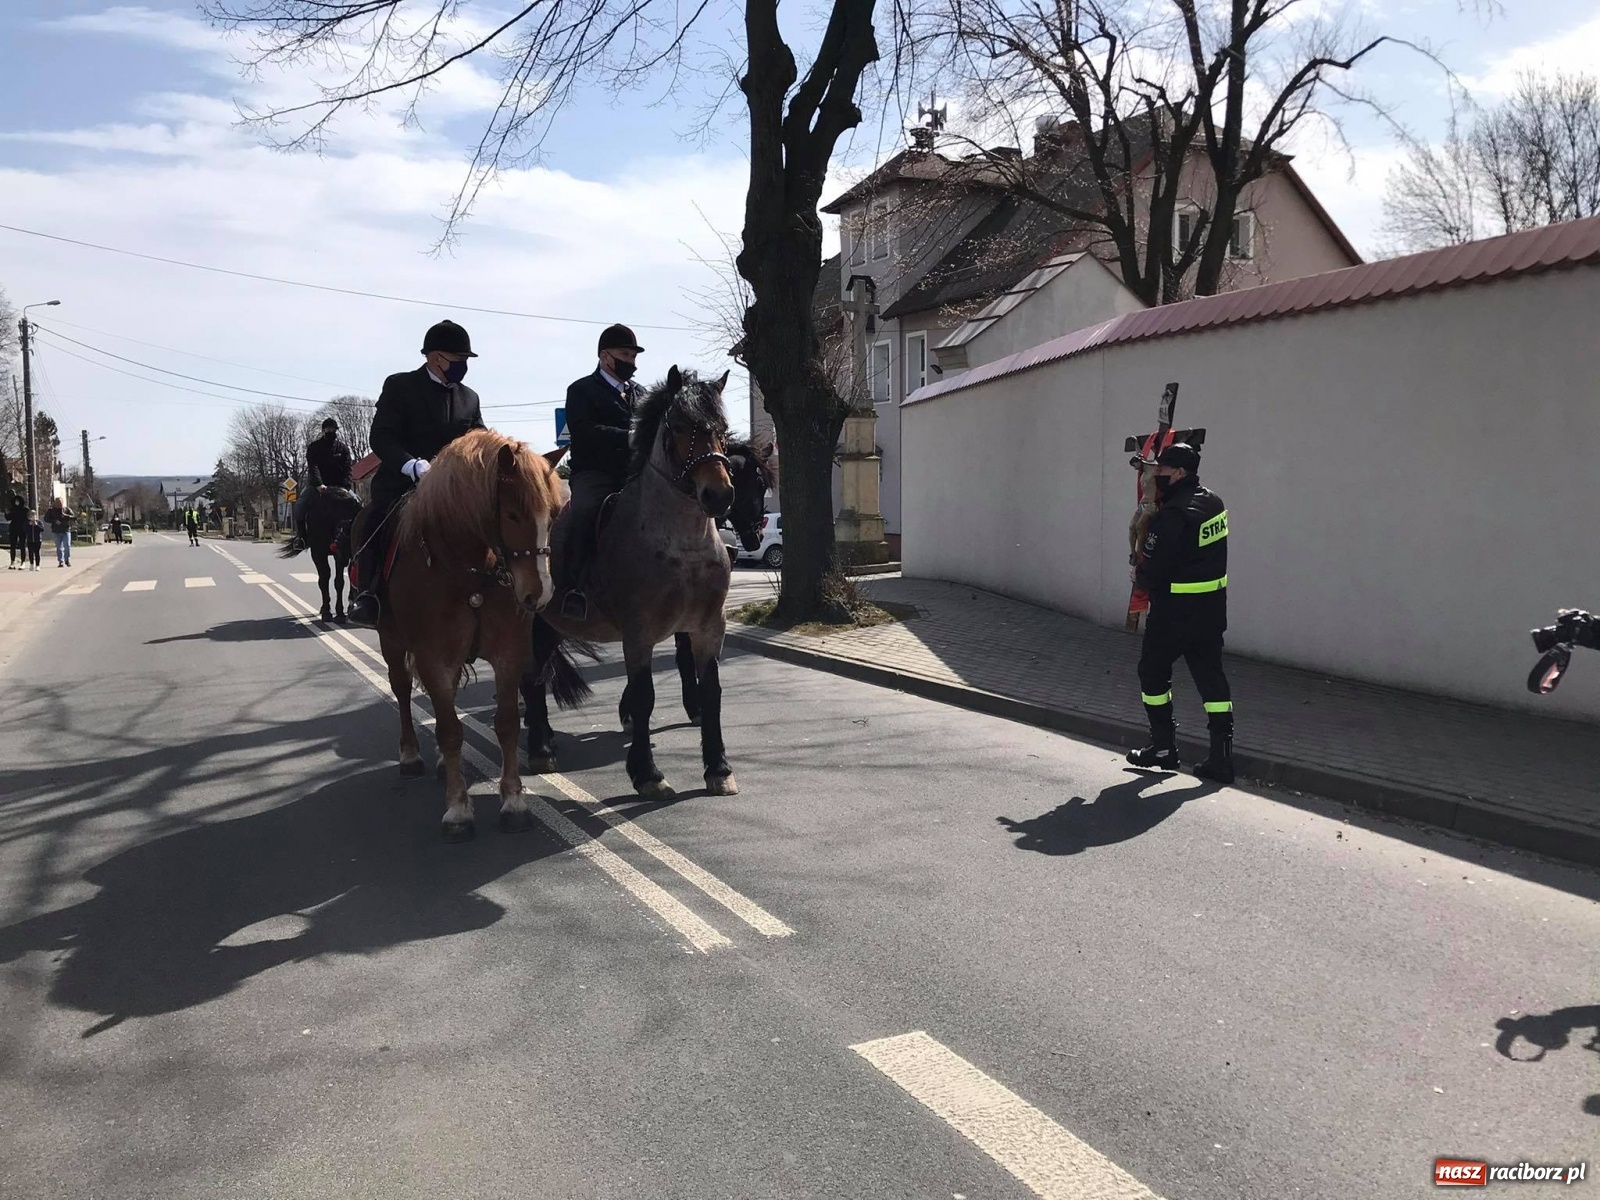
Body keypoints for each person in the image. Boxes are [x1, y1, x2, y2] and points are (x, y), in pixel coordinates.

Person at [348, 319, 485, 627]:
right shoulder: (400, 386)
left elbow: (479, 439)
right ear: (435, 357)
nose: (463, 366)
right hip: (404, 484)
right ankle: (367, 594)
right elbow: (381, 436)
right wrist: (411, 464)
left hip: (453, 490)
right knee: (376, 521)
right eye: (459, 360)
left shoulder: (469, 397)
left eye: (465, 360)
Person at [1125, 442, 1234, 784]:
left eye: (1162, 471)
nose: (1156, 476)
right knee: (1211, 680)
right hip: (1211, 611)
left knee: (1153, 675)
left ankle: (1163, 747)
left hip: (1174, 613)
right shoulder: (1214, 502)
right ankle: (1222, 758)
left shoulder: (1172, 515)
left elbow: (1155, 567)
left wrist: (1138, 574)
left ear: (1180, 473)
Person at [558, 323, 645, 621]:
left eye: (634, 356)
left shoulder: (641, 393)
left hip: (634, 474)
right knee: (582, 512)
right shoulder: (581, 390)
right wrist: (628, 436)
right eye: (625, 354)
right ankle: (574, 587)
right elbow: (583, 432)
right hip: (595, 474)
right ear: (605, 356)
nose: (631, 362)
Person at [293, 417, 355, 551]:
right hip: (319, 487)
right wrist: (319, 484)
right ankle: (301, 537)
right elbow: (313, 467)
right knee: (300, 506)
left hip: (340, 487)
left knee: (358, 504)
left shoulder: (343, 448)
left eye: (333, 429)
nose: (330, 431)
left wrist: (346, 486)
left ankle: (357, 537)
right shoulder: (314, 447)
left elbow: (348, 468)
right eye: (328, 429)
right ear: (323, 431)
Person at [45, 499, 75, 568]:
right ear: (55, 503)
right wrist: (54, 521)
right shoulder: (51, 510)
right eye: (57, 502)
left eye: (60, 502)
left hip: (66, 530)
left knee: (67, 546)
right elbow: (46, 518)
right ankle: (60, 561)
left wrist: (66, 516)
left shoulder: (67, 509)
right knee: (59, 547)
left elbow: (74, 517)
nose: (59, 504)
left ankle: (67, 560)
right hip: (56, 531)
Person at [6, 495, 26, 570]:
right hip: (13, 528)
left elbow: (28, 518)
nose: (17, 502)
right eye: (15, 501)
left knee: (22, 545)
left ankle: (23, 562)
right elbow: (8, 518)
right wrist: (7, 513)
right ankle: (12, 562)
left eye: (18, 501)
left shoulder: (25, 509)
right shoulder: (12, 509)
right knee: (12, 546)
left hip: (22, 529)